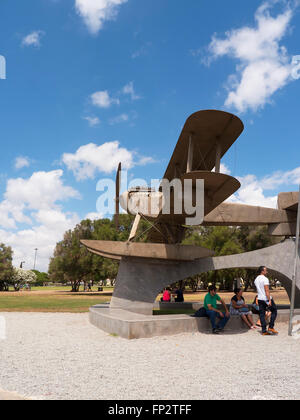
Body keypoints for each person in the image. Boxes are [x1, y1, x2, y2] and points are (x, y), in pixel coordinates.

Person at [254, 266, 278, 335]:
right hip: (266, 299)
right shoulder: (265, 279)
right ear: (262, 271)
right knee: (274, 311)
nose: (266, 271)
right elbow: (267, 290)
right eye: (265, 270)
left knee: (261, 314)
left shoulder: (256, 279)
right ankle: (271, 327)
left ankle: (264, 331)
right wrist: (269, 300)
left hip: (260, 298)